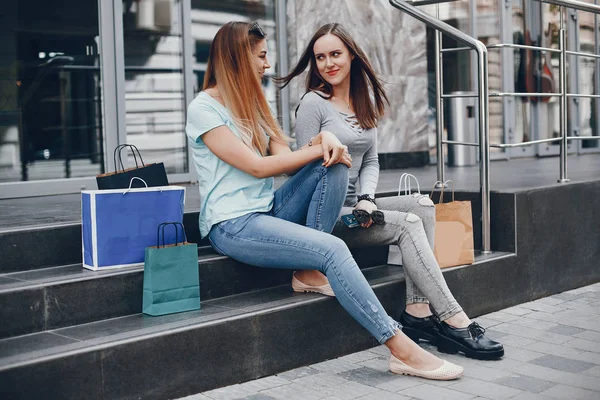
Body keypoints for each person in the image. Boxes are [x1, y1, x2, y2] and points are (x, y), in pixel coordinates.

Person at [186, 21, 463, 380]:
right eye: (261, 56)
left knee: (334, 166)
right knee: (332, 247)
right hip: (233, 224)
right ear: (239, 58)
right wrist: (322, 141)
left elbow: (283, 154)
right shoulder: (204, 109)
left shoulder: (252, 103)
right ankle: (401, 348)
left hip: (269, 210)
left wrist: (325, 143)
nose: (267, 64)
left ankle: (307, 270)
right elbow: (257, 167)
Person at [278, 22, 504, 361]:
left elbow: (371, 160)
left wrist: (368, 199)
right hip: (326, 216)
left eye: (335, 54)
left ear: (352, 55)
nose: (328, 63)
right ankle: (455, 319)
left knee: (422, 204)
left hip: (356, 207)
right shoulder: (313, 103)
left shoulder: (362, 100)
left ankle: (416, 313)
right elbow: (300, 169)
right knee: (408, 224)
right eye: (320, 57)